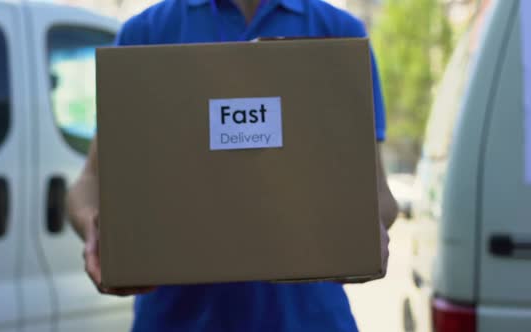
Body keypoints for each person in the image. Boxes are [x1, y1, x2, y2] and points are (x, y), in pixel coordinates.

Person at [67, 0, 398, 331]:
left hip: (308, 320)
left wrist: (366, 232)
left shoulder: (338, 33)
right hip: (180, 321)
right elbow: (90, 183)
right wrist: (96, 234)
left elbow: (378, 193)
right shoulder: (146, 32)